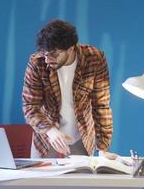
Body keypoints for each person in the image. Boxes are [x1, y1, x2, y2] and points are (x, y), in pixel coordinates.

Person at [22, 19, 114, 159]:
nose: (47, 59)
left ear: (71, 49)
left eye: (53, 54)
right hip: (46, 138)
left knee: (81, 180)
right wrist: (51, 131)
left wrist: (103, 148)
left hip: (81, 138)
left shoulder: (94, 59)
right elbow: (30, 106)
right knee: (40, 180)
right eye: (44, 54)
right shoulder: (37, 62)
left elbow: (100, 106)